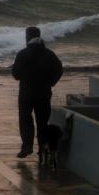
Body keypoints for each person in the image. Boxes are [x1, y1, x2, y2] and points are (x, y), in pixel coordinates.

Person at [11, 26, 63, 159]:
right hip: (44, 93)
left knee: (25, 119)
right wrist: (51, 82)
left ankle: (27, 146)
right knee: (42, 122)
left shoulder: (22, 54)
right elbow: (59, 70)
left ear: (28, 37)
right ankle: (42, 147)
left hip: (26, 94)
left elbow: (16, 75)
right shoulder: (49, 54)